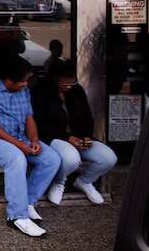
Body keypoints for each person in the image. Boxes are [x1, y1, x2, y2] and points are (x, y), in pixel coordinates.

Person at [0, 55, 61, 238]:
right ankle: (17, 216)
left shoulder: (23, 90)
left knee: (52, 159)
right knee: (16, 158)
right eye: (22, 81)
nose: (25, 85)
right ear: (8, 80)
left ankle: (27, 203)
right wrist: (18, 144)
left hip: (20, 137)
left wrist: (34, 140)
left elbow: (29, 118)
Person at [31, 61, 117, 205]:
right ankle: (59, 182)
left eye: (72, 83)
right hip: (54, 137)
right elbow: (38, 123)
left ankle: (84, 181)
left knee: (109, 158)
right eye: (64, 84)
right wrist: (67, 137)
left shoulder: (77, 91)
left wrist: (87, 136)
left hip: (78, 138)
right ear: (55, 78)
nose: (69, 87)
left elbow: (88, 117)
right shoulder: (41, 91)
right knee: (71, 159)